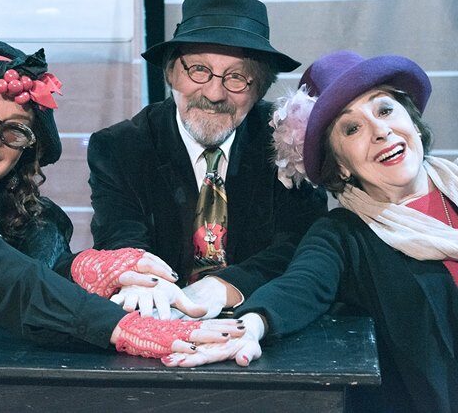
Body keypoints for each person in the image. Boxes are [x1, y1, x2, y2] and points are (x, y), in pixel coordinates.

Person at [0, 38, 244, 411]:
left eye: (15, 131)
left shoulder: (11, 207)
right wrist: (123, 328)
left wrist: (90, 267)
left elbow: (37, 266)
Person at [163, 51, 458, 412]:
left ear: (412, 121)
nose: (380, 131)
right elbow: (300, 286)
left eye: (384, 110)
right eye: (352, 129)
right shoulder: (343, 236)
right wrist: (250, 326)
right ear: (341, 165)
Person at [87, 0, 328, 317]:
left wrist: (222, 287)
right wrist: (144, 281)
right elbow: (121, 238)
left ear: (259, 90)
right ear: (171, 74)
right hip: (156, 313)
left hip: (262, 313)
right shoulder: (120, 147)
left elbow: (300, 246)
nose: (215, 94)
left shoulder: (290, 140)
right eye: (199, 70)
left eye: (237, 77)